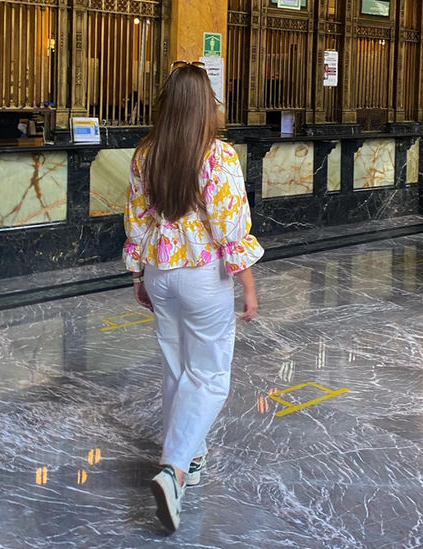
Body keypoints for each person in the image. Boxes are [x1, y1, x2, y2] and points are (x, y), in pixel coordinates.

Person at [123, 61, 264, 533]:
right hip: (203, 275)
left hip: (160, 273)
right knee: (209, 374)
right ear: (207, 105)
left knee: (177, 367)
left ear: (166, 103)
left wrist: (138, 274)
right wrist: (247, 284)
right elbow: (230, 226)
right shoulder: (217, 155)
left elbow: (137, 219)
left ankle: (194, 456)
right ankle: (174, 469)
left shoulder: (146, 152)